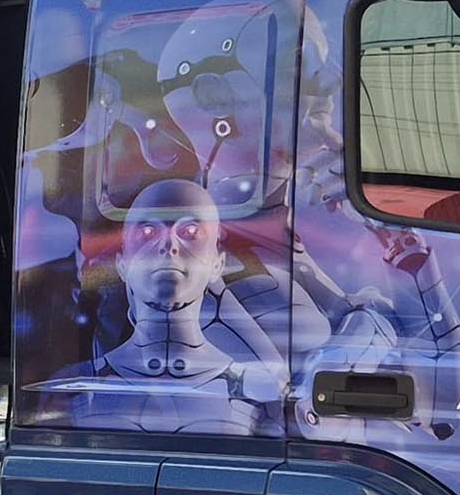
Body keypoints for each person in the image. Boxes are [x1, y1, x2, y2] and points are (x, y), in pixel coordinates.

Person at [35, 178, 282, 435]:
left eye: (190, 232)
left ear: (217, 265)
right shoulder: (76, 386)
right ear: (122, 264)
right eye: (148, 232)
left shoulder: (255, 391)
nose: (169, 245)